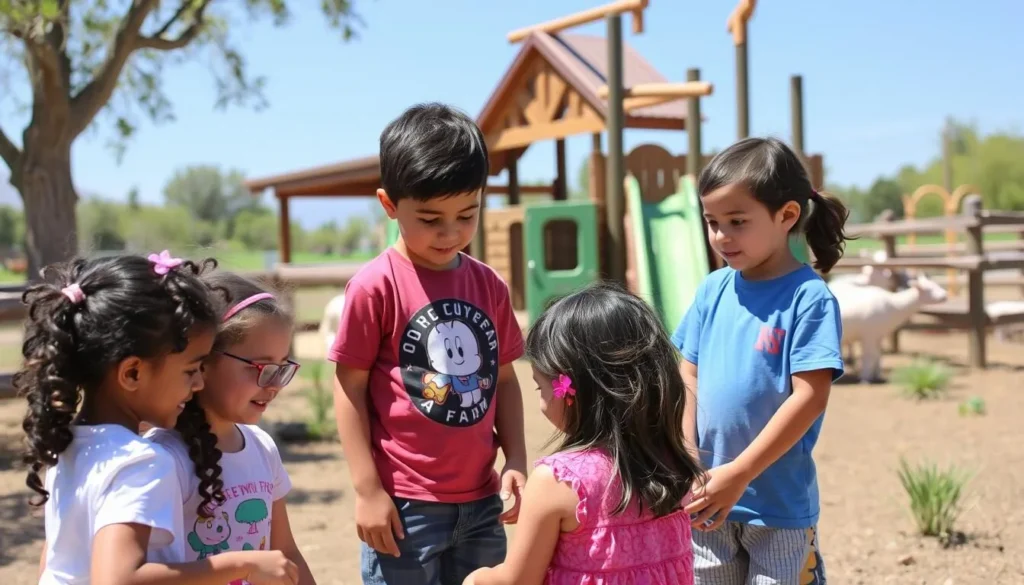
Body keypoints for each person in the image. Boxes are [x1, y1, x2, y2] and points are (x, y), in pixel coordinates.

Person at [330, 102, 528, 585]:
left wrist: (518, 459)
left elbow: (504, 378)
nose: (450, 232)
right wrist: (367, 490)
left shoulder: (489, 286)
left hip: (482, 503)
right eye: (431, 217)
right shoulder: (374, 286)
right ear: (390, 205)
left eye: (467, 214)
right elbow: (348, 390)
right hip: (404, 507)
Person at [19, 251, 299, 585]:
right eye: (191, 369)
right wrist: (242, 565)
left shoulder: (71, 446)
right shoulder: (143, 461)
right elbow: (118, 579)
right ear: (132, 372)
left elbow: (52, 564)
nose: (197, 383)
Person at [674, 137, 849, 584]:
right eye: (712, 222)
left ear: (787, 215)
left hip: (778, 509)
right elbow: (687, 371)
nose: (720, 236)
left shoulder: (809, 299)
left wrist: (740, 472)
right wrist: (688, 453)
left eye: (736, 221)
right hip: (707, 497)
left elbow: (810, 397)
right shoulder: (712, 290)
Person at [464, 283, 703, 585]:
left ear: (570, 390)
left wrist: (478, 579)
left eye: (541, 387)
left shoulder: (559, 482)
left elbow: (518, 581)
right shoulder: (674, 463)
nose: (540, 402)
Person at [146, 271, 315, 584]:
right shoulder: (162, 459)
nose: (275, 385)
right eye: (261, 368)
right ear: (203, 361)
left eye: (282, 368)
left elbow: (286, 551)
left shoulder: (262, 446)